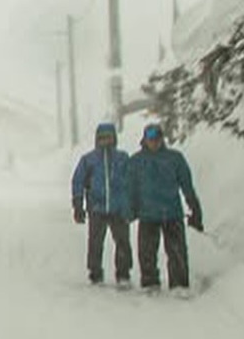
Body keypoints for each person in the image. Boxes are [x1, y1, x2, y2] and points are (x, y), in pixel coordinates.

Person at [127, 122, 203, 291]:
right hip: (147, 215)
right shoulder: (136, 161)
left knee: (177, 253)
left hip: (172, 213)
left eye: (157, 138)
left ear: (162, 139)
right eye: (150, 139)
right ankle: (150, 283)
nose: (154, 142)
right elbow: (130, 188)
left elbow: (186, 184)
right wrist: (130, 209)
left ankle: (179, 284)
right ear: (144, 140)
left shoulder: (175, 158)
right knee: (146, 253)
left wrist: (194, 207)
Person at [70, 122, 133, 285]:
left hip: (118, 208)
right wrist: (78, 204)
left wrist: (132, 204)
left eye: (109, 138)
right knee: (95, 242)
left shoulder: (122, 158)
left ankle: (123, 273)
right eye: (102, 138)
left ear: (114, 139)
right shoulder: (89, 160)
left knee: (122, 241)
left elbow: (132, 182)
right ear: (97, 139)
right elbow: (78, 181)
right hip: (97, 208)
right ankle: (95, 272)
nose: (105, 141)